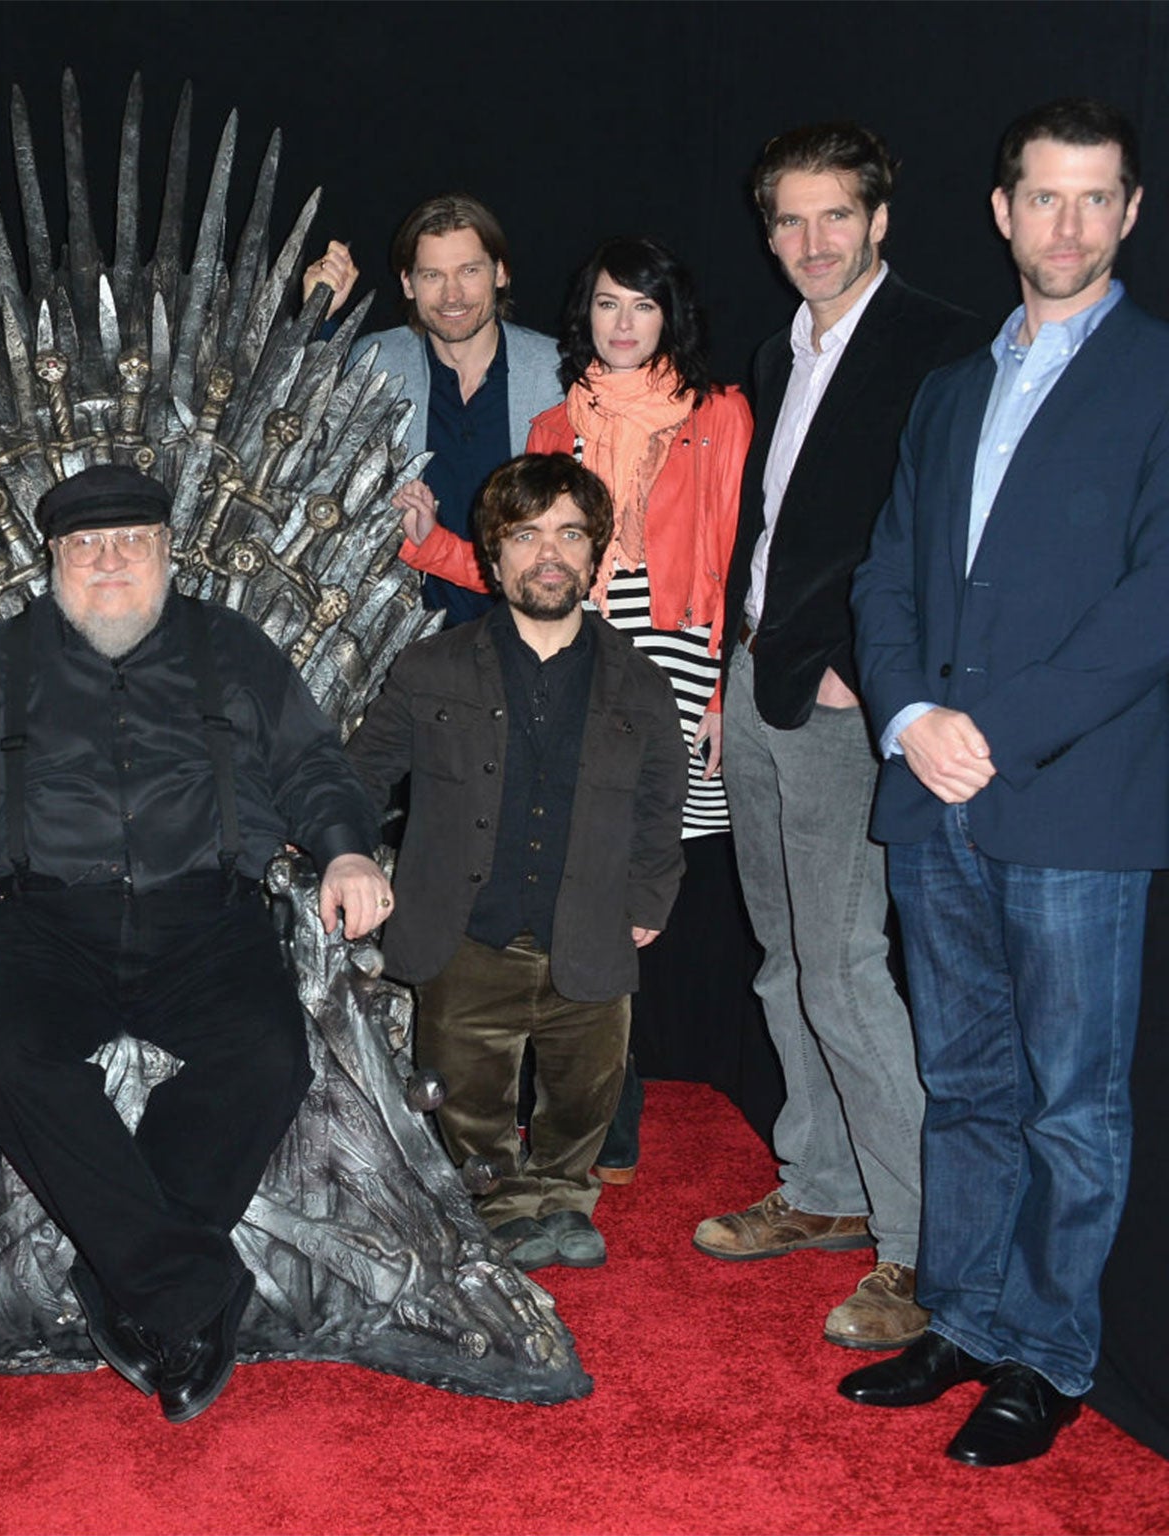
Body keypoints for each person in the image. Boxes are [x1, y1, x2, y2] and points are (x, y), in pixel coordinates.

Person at [0, 463, 392, 1423]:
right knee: (16, 1058)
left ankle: (129, 1287)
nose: (109, 562)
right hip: (48, 922)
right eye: (85, 547)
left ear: (166, 551)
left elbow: (314, 765)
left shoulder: (231, 651)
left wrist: (348, 852)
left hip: (207, 917)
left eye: (131, 543)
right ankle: (191, 1290)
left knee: (269, 1058)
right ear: (54, 561)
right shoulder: (0, 663)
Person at [843, 98, 1168, 1469]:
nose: (1069, 225)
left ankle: (1047, 1354)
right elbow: (887, 576)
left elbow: (1154, 604)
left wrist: (990, 728)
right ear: (1002, 211)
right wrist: (913, 714)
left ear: (1132, 214)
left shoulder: (1159, 376)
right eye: (1045, 197)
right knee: (962, 1080)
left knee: (1072, 1105)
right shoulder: (950, 389)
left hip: (1076, 801)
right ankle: (966, 1321)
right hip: (935, 791)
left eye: (1097, 200)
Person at [698, 125, 985, 1351]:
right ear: (767, 235)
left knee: (845, 969)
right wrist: (728, 657)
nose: (811, 242)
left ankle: (919, 1249)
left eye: (834, 217)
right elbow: (772, 526)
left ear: (877, 219)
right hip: (755, 677)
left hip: (838, 704)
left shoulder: (939, 346)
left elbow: (947, 536)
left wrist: (871, 678)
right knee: (780, 958)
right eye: (789, 222)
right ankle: (821, 1187)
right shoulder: (778, 351)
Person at [400, 236, 752, 1181]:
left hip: (673, 661)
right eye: (606, 305)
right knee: (567, 862)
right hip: (581, 654)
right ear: (584, 316)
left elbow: (729, 555)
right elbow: (530, 560)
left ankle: (614, 1107)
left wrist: (721, 688)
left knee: (645, 875)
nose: (624, 323)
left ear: (669, 315)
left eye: (642, 305)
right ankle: (566, 1117)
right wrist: (428, 545)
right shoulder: (559, 423)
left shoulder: (719, 414)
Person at [348, 454, 687, 1272]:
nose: (550, 555)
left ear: (594, 554)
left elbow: (658, 802)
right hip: (468, 931)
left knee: (585, 1089)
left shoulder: (639, 682)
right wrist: (342, 853)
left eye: (571, 535)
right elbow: (359, 773)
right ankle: (500, 1199)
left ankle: (567, 1195)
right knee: (470, 1093)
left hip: (592, 921)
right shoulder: (431, 668)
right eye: (527, 535)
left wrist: (648, 894)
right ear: (493, 557)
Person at [301, 193, 562, 623]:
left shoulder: (556, 375)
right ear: (407, 283)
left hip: (526, 633)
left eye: (469, 271)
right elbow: (302, 438)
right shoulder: (376, 362)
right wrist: (318, 316)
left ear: (500, 273)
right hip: (402, 642)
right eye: (432, 275)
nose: (452, 294)